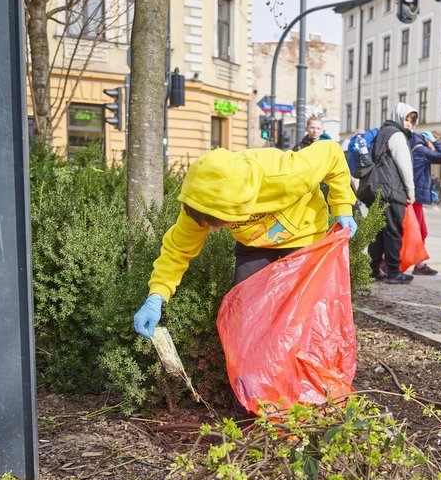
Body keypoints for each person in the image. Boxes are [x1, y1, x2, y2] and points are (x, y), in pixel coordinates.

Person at [132, 141, 357, 338]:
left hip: (303, 233)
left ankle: (297, 376)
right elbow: (177, 251)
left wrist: (342, 207)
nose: (214, 231)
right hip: (254, 243)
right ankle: (257, 375)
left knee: (300, 313)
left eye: (219, 224)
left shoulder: (289, 174)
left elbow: (332, 153)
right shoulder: (200, 204)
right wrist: (157, 296)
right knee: (246, 309)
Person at [357, 102, 418, 285]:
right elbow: (404, 166)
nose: (409, 124)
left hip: (374, 188)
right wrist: (410, 191)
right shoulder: (397, 134)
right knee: (393, 231)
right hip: (390, 189)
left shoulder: (381, 132)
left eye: (412, 121)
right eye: (407, 119)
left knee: (378, 232)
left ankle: (373, 269)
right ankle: (393, 272)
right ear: (400, 117)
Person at [409, 128, 441, 276]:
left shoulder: (418, 149)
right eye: (434, 143)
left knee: (420, 232)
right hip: (414, 198)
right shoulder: (421, 150)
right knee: (417, 232)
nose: (434, 147)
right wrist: (437, 143)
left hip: (416, 195)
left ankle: (419, 263)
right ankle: (417, 264)